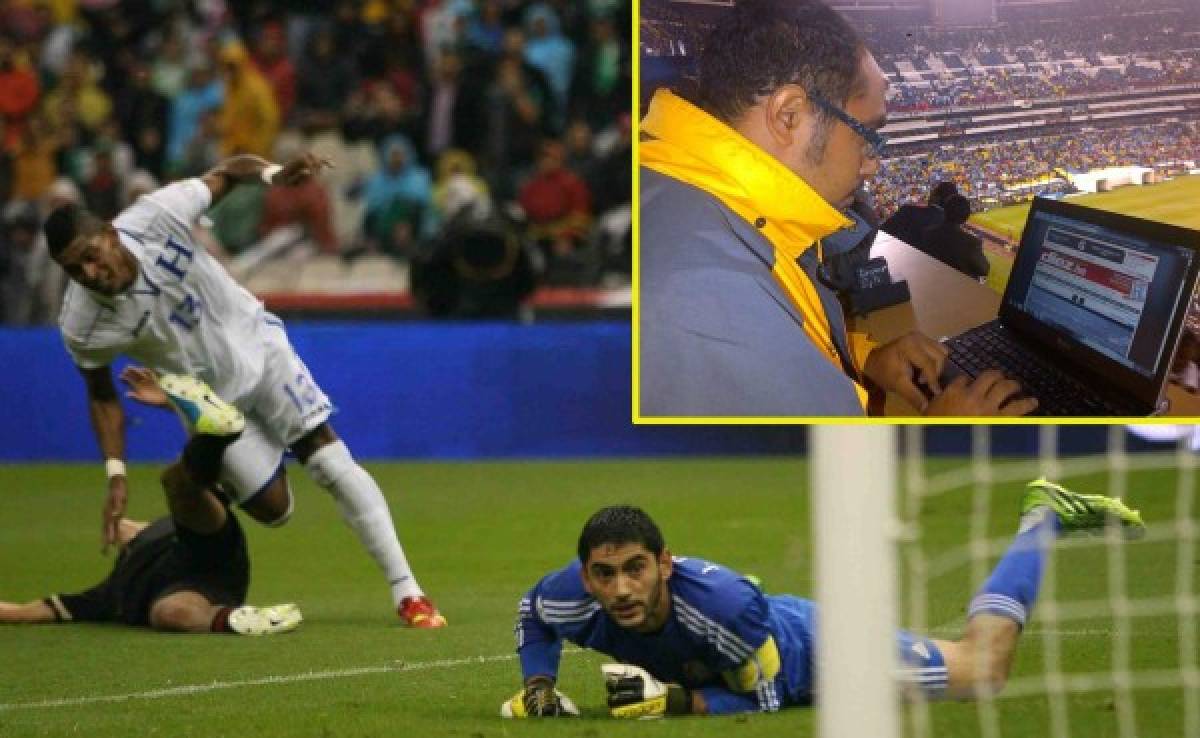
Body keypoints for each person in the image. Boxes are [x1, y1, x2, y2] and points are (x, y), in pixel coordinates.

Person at [43, 150, 445, 628]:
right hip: (213, 406)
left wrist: (275, 174)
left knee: (327, 459)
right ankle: (183, 500)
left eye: (90, 256)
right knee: (276, 512)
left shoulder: (155, 215)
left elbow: (229, 171)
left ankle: (408, 592)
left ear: (110, 233)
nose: (89, 274)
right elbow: (101, 394)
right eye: (74, 270)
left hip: (259, 346)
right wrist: (115, 472)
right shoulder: (81, 324)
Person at [638, 0, 1036, 417]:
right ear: (788, 116)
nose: (871, 163)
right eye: (868, 135)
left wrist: (860, 359)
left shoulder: (690, 197)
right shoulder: (708, 295)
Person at [502, 487, 1144, 717]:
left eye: (635, 569)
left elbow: (773, 695)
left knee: (982, 671)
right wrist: (537, 684)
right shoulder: (571, 599)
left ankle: (1044, 518)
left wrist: (678, 702)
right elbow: (533, 616)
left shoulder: (725, 609)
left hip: (815, 652)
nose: (620, 589)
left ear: (664, 564)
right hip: (743, 656)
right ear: (586, 577)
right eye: (604, 574)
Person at [0, 371, 301, 635]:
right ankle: (244, 620)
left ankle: (214, 431)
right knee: (170, 614)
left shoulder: (152, 535)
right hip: (203, 591)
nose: (119, 528)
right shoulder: (112, 595)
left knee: (177, 483)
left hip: (206, 545)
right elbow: (30, 611)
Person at [919, 193, 990, 281]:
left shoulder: (928, 233)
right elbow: (984, 270)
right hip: (959, 288)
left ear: (944, 211)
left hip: (932, 281)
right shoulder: (971, 242)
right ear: (966, 217)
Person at [880, 180, 958, 248]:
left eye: (933, 192)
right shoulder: (953, 231)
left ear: (936, 197)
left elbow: (881, 233)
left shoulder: (907, 211)